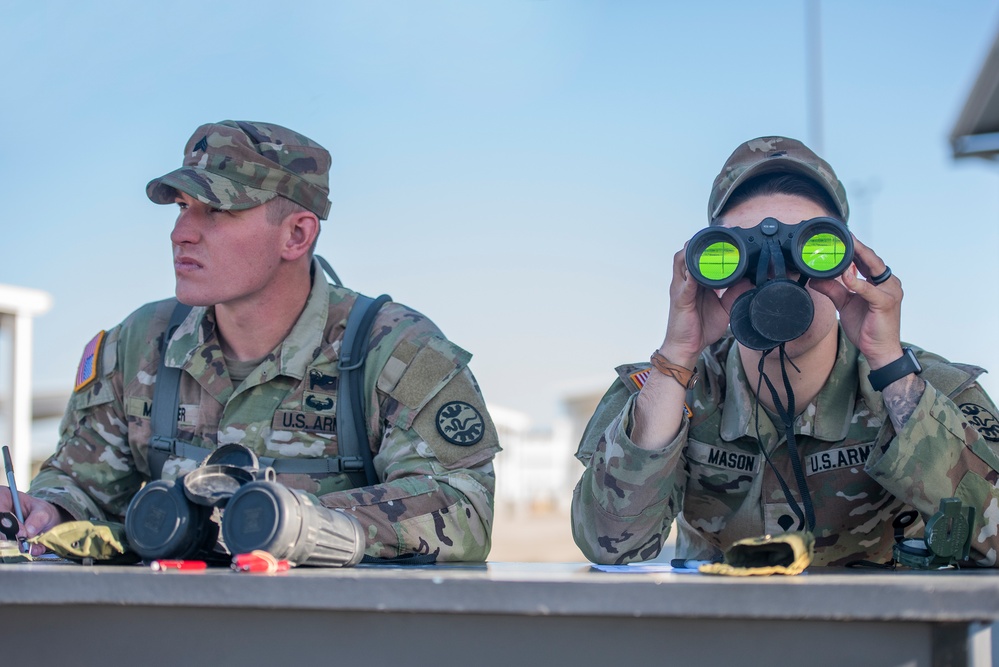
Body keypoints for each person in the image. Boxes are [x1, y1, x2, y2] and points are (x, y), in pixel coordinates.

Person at [3, 120, 501, 561]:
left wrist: (301, 524)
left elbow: (463, 504)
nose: (181, 232)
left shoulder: (394, 350)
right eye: (181, 206)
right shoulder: (139, 343)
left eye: (216, 211)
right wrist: (46, 510)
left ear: (297, 236)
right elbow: (80, 484)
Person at [571, 135, 999, 567]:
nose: (775, 275)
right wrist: (679, 354)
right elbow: (610, 542)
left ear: (849, 263)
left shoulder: (928, 389)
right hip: (719, 631)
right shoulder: (670, 392)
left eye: (811, 250)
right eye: (745, 255)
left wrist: (888, 363)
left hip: (884, 632)